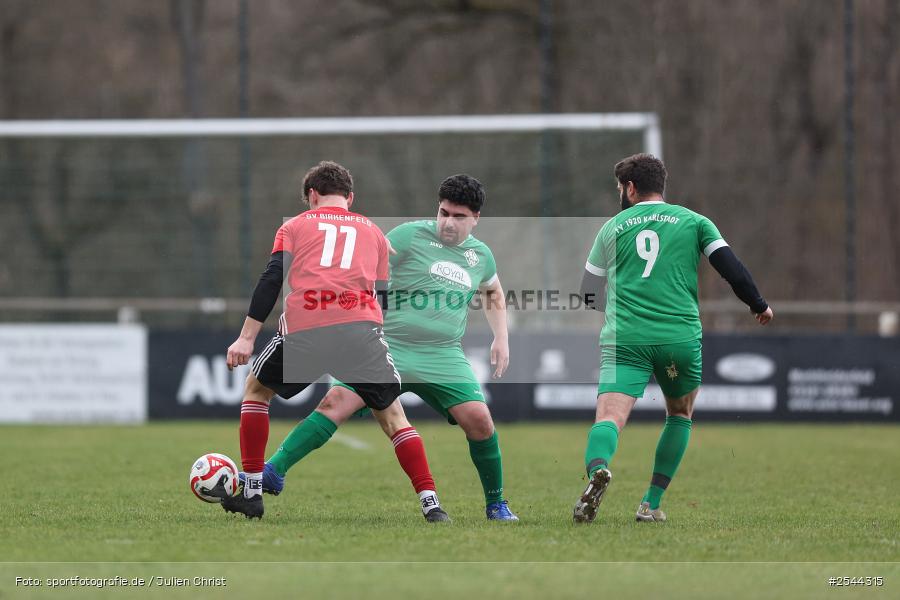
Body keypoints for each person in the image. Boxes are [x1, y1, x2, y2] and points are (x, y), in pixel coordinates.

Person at [247, 174, 519, 521]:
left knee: (480, 421)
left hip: (443, 354)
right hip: (387, 345)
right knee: (335, 403)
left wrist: (501, 337)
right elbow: (364, 263)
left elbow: (493, 291)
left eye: (459, 216)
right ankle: (273, 470)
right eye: (443, 212)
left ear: (476, 218)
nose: (448, 222)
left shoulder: (481, 256)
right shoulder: (408, 235)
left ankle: (496, 503)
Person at [222, 160, 449, 522]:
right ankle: (431, 505)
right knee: (394, 418)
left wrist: (246, 337)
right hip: (361, 331)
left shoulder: (294, 226)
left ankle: (251, 493)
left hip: (307, 329)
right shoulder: (375, 233)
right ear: (350, 197)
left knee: (256, 391)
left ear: (312, 195)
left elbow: (272, 278)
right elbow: (382, 296)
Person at [573, 153, 773, 524]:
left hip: (625, 338)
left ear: (630, 188)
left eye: (620, 188)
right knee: (679, 414)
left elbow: (587, 293)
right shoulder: (695, 222)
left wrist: (617, 304)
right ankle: (650, 504)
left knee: (610, 417)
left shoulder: (611, 228)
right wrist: (758, 304)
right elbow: (732, 269)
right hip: (678, 338)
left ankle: (598, 470)